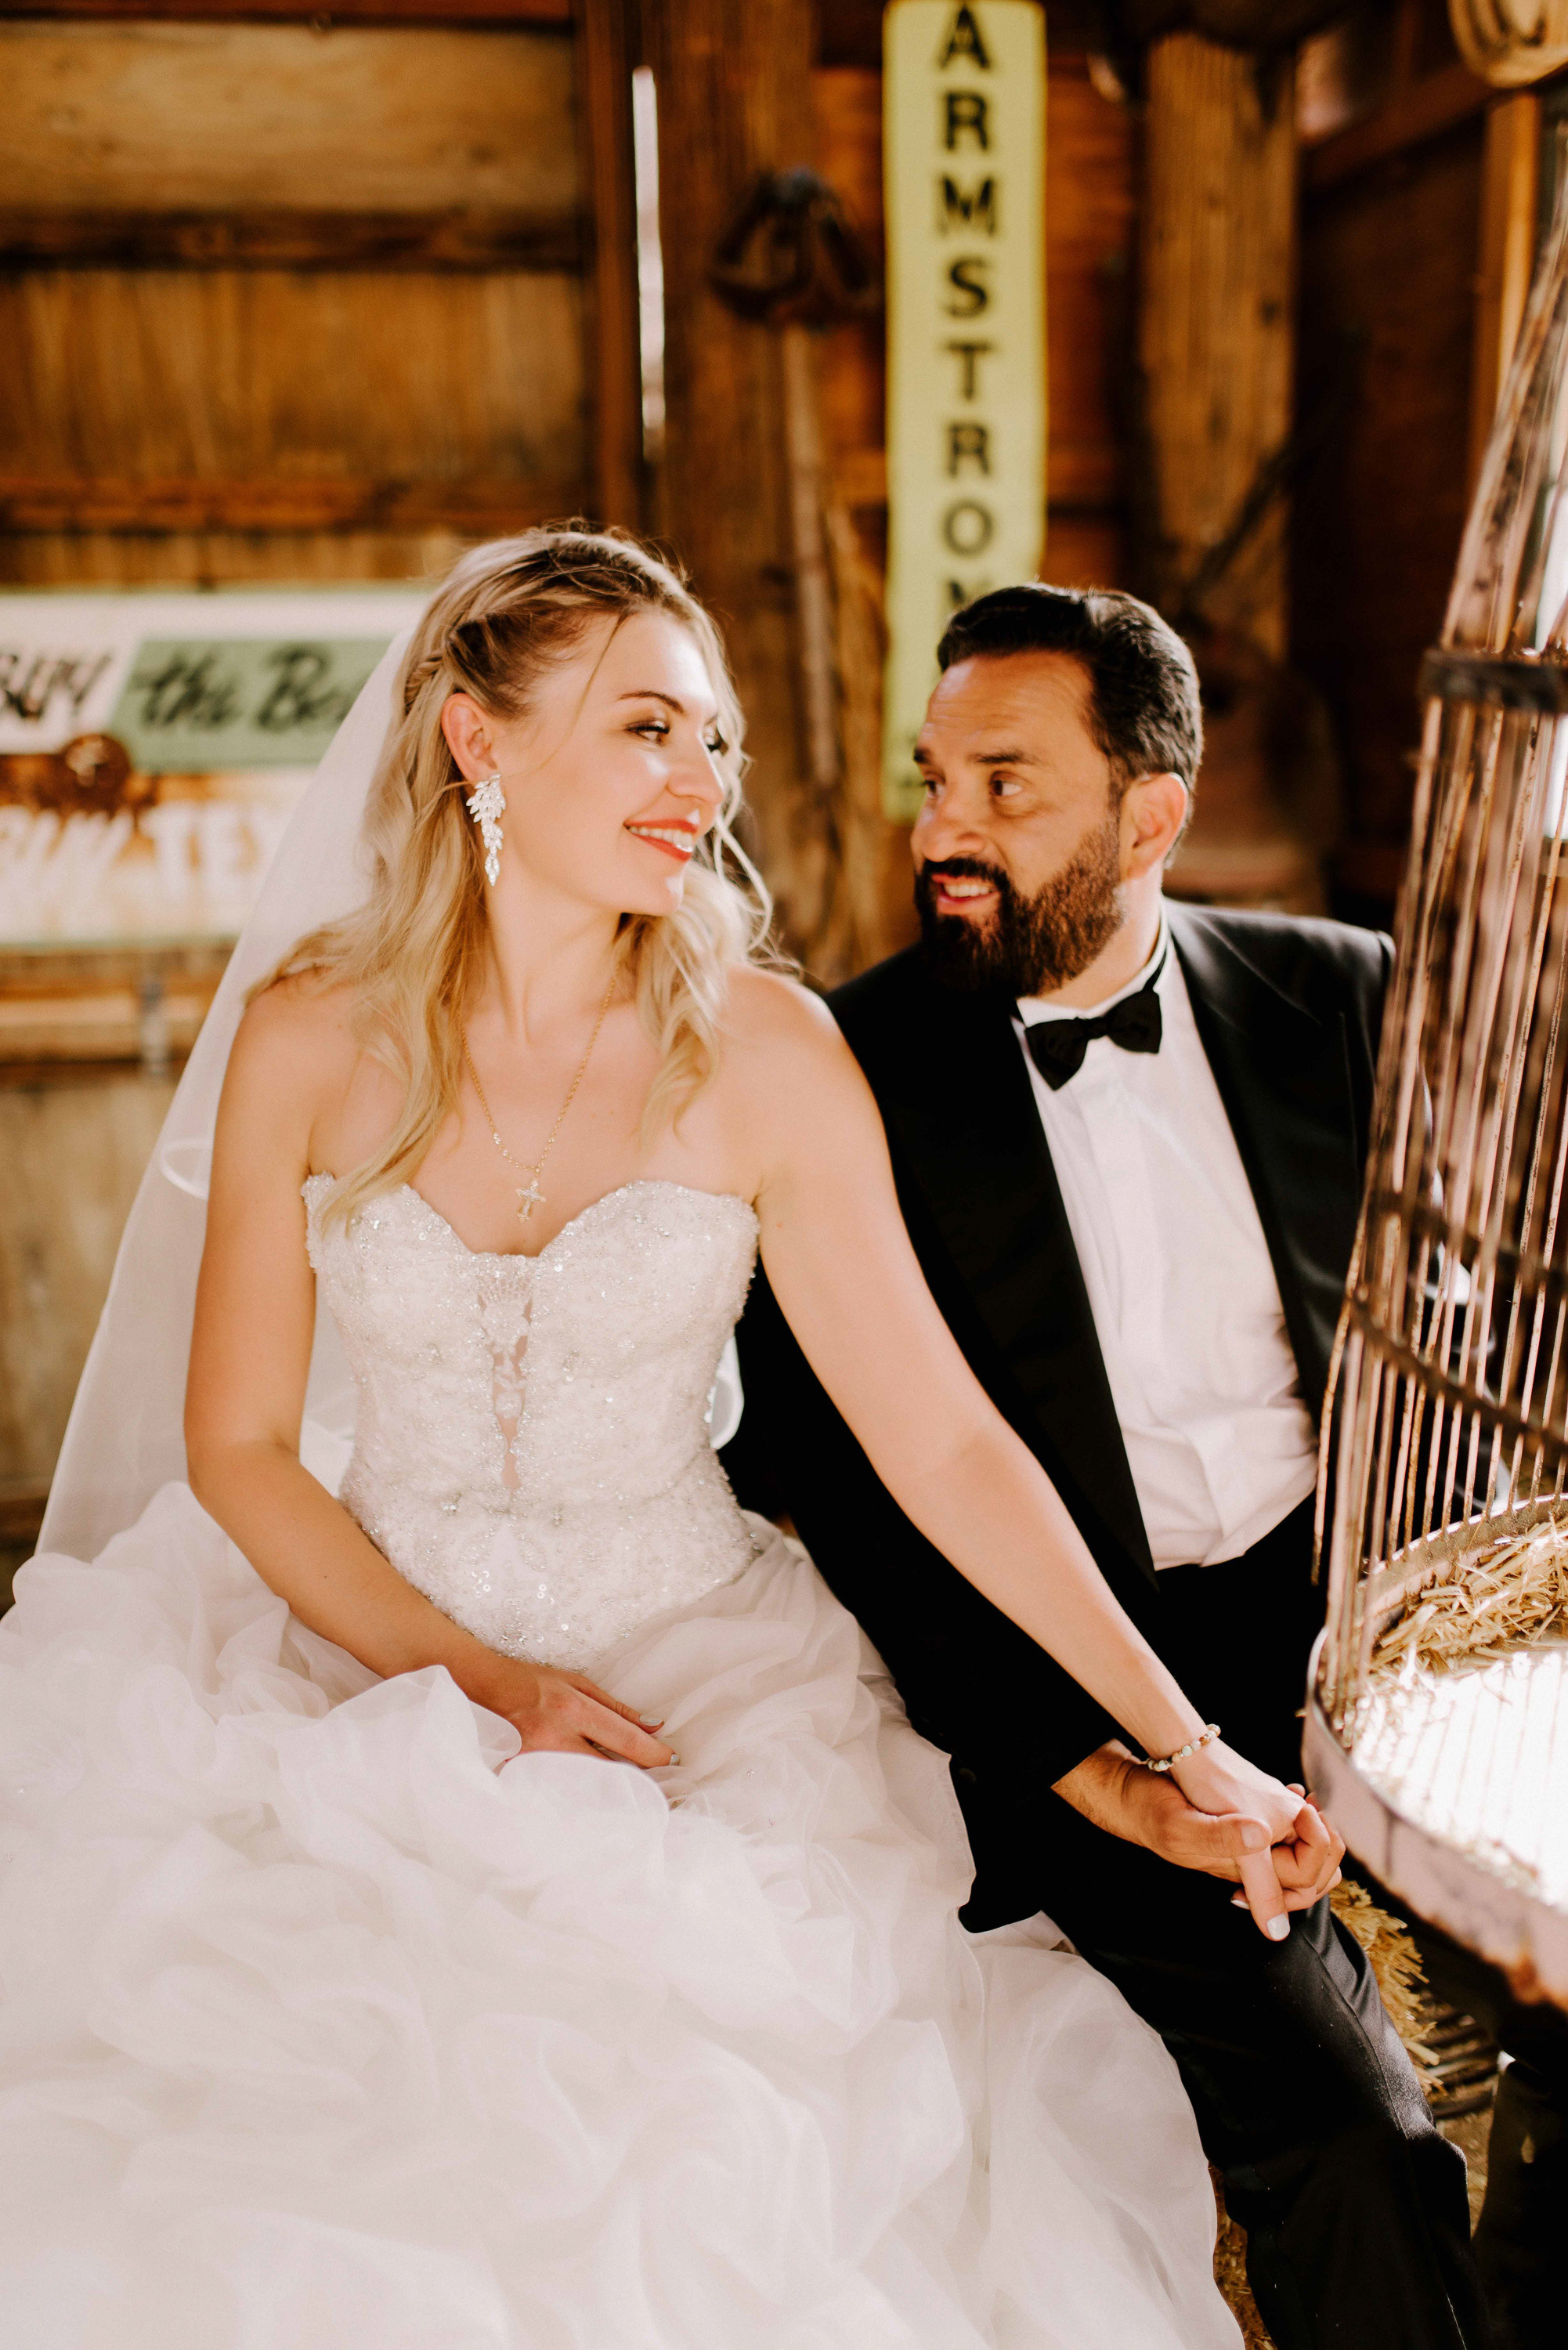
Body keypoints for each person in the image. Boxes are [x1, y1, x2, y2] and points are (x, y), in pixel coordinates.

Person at [0, 530, 1324, 2348]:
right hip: (351, 1655)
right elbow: (237, 1448)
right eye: (648, 731)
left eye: (714, 745)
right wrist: (478, 1682)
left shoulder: (764, 1052)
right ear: (477, 743)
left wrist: (1184, 1743)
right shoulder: (309, 1035)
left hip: (705, 1689)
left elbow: (942, 1447)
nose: (705, 786)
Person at [721, 583, 1495, 2350]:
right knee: (1352, 2131)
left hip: (1363, 1647)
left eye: (1004, 787)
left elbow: (1439, 1342)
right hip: (1075, 1669)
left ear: (1152, 812)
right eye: (934, 785)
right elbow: (833, 1480)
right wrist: (1093, 1763)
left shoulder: (1334, 996)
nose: (945, 835)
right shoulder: (850, 1072)